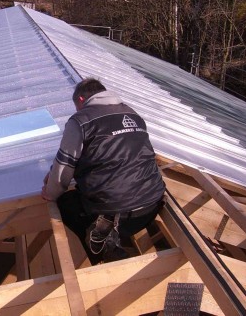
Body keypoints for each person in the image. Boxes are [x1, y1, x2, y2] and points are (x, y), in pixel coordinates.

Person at [41, 78, 165, 265]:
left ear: (81, 100)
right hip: (150, 208)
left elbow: (64, 165)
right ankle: (106, 242)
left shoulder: (81, 121)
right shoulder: (133, 114)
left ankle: (102, 247)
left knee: (65, 202)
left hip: (117, 215)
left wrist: (50, 192)